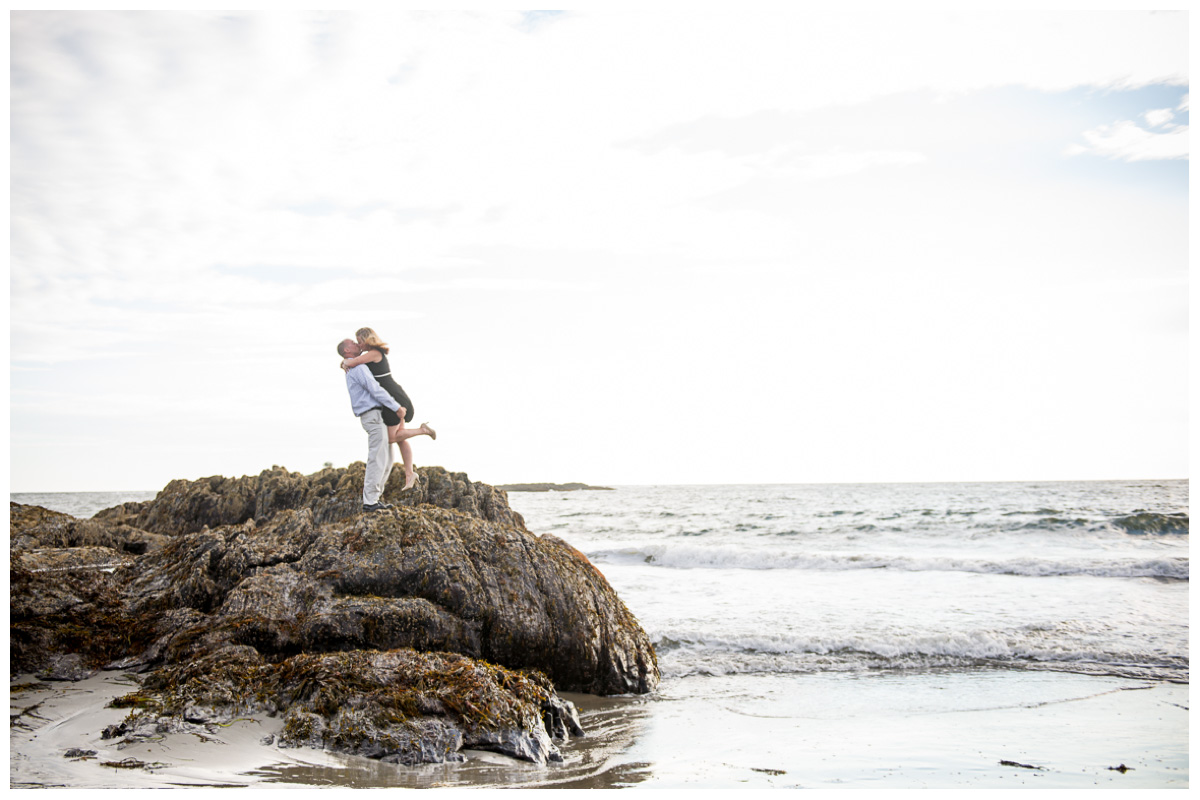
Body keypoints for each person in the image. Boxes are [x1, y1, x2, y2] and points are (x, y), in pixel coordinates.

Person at [337, 339, 432, 510]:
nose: (358, 345)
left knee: (387, 459)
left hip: (376, 414)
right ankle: (370, 502)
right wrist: (396, 407)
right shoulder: (358, 368)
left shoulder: (354, 365)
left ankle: (374, 499)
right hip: (371, 415)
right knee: (378, 458)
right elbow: (375, 389)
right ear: (346, 350)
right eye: (353, 343)